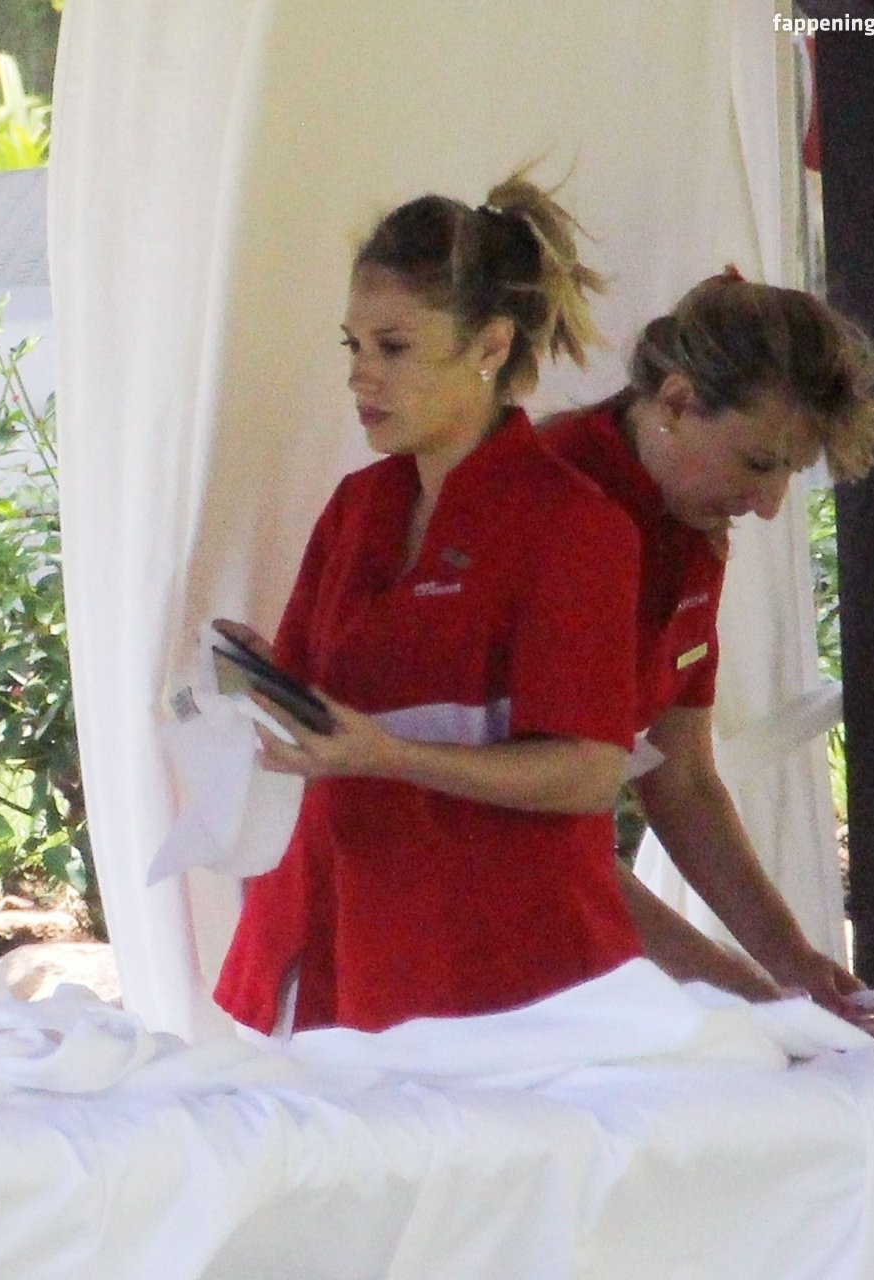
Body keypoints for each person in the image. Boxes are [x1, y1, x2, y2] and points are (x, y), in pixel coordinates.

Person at [212, 176, 646, 1035]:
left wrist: (392, 756)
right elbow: (324, 721)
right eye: (353, 345)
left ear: (491, 345)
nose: (361, 375)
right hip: (340, 934)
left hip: (497, 970)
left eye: (394, 347)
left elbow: (588, 772)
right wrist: (259, 677)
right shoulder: (358, 506)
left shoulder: (572, 524)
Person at [540, 271, 874, 1014]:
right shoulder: (556, 505)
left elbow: (683, 778)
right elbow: (539, 839)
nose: (767, 505)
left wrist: (794, 963)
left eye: (788, 473)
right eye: (759, 464)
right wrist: (753, 999)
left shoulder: (692, 522)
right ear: (675, 401)